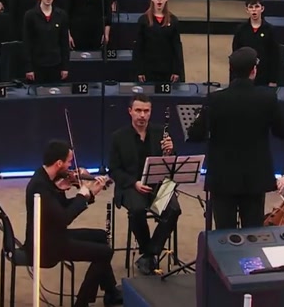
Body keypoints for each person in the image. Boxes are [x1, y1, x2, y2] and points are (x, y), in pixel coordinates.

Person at [188, 47, 284, 229]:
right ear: (254, 70)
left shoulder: (216, 99)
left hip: (222, 178)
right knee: (252, 232)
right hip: (254, 178)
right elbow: (283, 132)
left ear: (231, 70)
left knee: (224, 235)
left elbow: (195, 134)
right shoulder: (267, 99)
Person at [24, 140, 122, 307]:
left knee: (100, 236)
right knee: (105, 252)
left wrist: (90, 193)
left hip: (53, 235)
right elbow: (64, 218)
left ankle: (111, 292)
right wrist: (82, 196)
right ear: (59, 163)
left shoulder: (47, 177)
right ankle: (82, 302)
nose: (71, 166)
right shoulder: (40, 187)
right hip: (45, 246)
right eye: (69, 161)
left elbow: (59, 210)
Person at [108, 95, 181, 275]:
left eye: (146, 111)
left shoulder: (159, 133)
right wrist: (135, 183)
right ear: (130, 112)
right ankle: (148, 252)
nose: (142, 115)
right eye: (138, 110)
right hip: (131, 185)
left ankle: (150, 253)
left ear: (150, 112)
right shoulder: (118, 137)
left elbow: (171, 165)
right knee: (138, 210)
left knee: (173, 209)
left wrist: (171, 151)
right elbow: (114, 170)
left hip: (158, 185)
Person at [132, 0, 183, 83]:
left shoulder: (174, 20)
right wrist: (139, 71)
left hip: (167, 70)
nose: (159, 0)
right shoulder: (143, 20)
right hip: (148, 70)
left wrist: (176, 70)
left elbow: (177, 47)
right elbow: (138, 47)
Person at [23, 0, 70, 84]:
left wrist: (65, 67)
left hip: (56, 64)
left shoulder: (61, 15)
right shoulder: (30, 15)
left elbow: (64, 43)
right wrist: (28, 68)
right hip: (37, 66)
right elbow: (27, 43)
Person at [231, 0, 281, 87]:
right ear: (247, 10)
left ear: (262, 9)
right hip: (244, 76)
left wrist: (273, 80)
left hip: (264, 76)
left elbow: (275, 56)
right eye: (251, 7)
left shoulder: (270, 30)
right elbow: (235, 54)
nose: (254, 10)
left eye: (257, 7)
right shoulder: (241, 30)